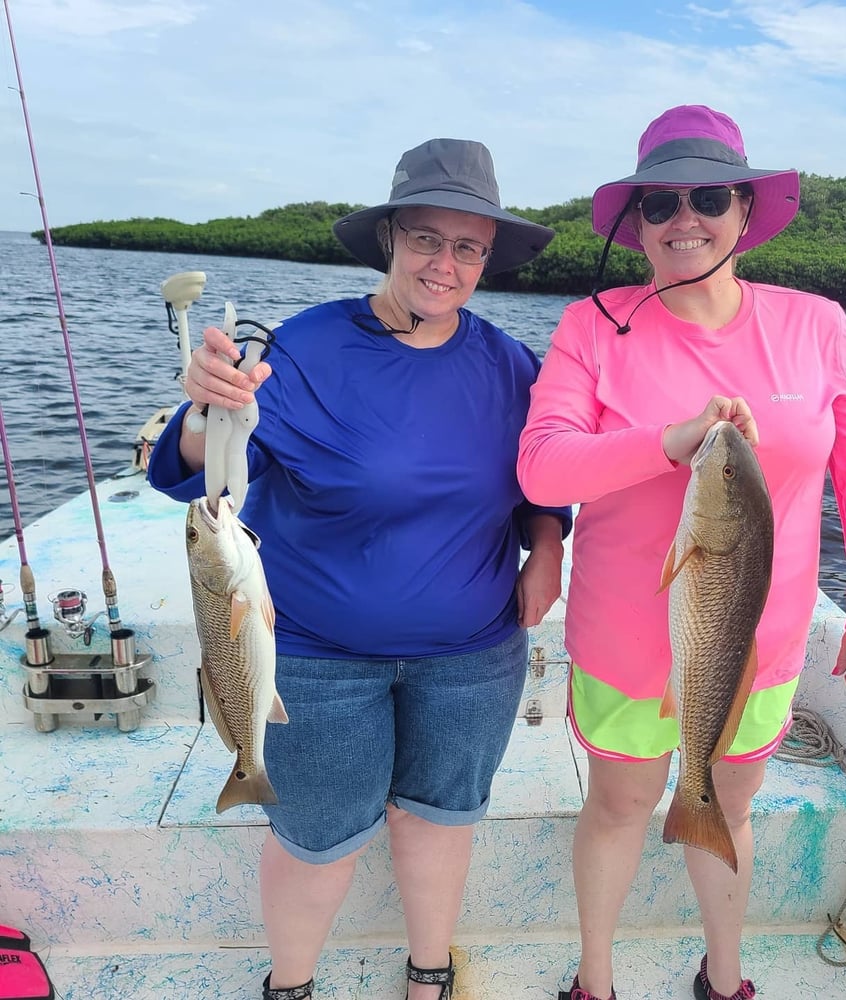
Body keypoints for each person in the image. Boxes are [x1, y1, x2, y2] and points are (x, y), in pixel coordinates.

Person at [147, 137, 572, 1000]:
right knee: (315, 838)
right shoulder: (304, 348)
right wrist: (206, 406)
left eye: (467, 247)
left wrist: (551, 546)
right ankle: (292, 986)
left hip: (471, 653)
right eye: (425, 238)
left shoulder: (512, 365)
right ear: (391, 239)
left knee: (440, 821)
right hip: (312, 657)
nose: (443, 264)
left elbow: (543, 479)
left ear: (487, 257)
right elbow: (193, 470)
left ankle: (428, 976)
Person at [516, 105, 846, 1000]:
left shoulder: (817, 325)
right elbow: (541, 467)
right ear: (634, 223)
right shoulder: (593, 325)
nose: (684, 218)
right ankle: (597, 979)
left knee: (730, 805)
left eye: (708, 197)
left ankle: (725, 977)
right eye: (659, 203)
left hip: (754, 645)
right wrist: (669, 439)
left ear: (742, 211)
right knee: (618, 806)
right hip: (623, 638)